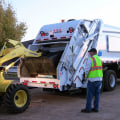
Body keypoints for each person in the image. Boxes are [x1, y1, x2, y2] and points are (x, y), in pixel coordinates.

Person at [81, 48, 103, 113]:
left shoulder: (91, 59)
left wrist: (84, 77)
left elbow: (87, 69)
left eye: (90, 52)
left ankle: (88, 109)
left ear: (93, 52)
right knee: (97, 95)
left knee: (89, 95)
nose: (89, 53)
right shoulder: (100, 59)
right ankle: (96, 108)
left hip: (92, 80)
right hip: (99, 80)